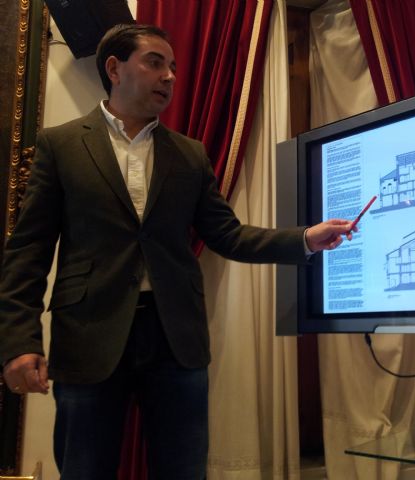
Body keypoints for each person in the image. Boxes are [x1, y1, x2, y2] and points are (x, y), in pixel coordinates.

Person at [0, 24, 354, 480]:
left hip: (175, 338)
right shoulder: (61, 144)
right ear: (114, 68)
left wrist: (304, 238)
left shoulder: (189, 154)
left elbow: (228, 235)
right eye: (155, 62)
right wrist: (20, 342)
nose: (169, 76)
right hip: (89, 333)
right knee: (84, 469)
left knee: (183, 470)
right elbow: (28, 250)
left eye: (172, 67)